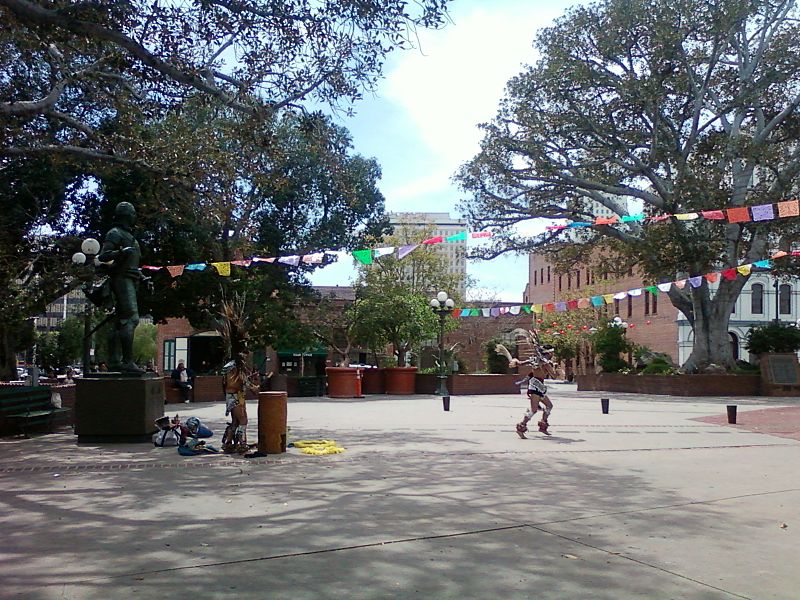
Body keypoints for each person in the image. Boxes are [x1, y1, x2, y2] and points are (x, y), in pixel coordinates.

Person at [96, 201, 144, 373]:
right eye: (132, 213)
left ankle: (114, 360)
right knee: (131, 318)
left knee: (119, 322)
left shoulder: (130, 236)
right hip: (121, 279)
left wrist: (142, 276)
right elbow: (103, 256)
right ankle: (127, 362)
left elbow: (133, 263)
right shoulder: (115, 233)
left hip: (132, 279)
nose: (134, 216)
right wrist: (121, 252)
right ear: (126, 215)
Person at [515, 346, 557, 438]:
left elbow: (521, 363)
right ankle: (521, 427)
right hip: (535, 387)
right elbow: (554, 376)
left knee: (549, 406)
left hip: (539, 387)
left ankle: (543, 426)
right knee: (534, 409)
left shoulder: (535, 360)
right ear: (548, 353)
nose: (552, 355)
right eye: (551, 353)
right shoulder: (546, 363)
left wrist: (516, 362)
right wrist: (555, 369)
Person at [221, 359, 250, 453]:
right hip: (235, 396)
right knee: (243, 420)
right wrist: (251, 385)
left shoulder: (229, 370)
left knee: (235, 421)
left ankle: (228, 443)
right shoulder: (235, 370)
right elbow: (240, 384)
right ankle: (242, 442)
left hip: (234, 396)